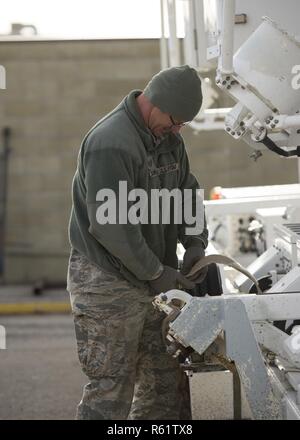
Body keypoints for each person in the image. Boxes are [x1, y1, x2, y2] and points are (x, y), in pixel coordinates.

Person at [67, 65, 208, 420]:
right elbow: (112, 225)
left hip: (152, 278)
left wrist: (194, 241)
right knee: (111, 386)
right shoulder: (111, 143)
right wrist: (156, 272)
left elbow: (186, 192)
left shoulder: (169, 141)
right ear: (157, 103)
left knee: (165, 384)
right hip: (108, 282)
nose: (178, 130)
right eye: (175, 120)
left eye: (182, 125)